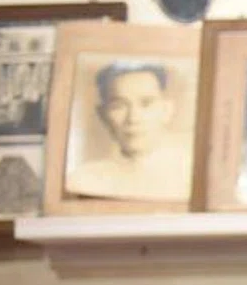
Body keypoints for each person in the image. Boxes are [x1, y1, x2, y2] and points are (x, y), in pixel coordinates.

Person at [66, 60, 192, 202]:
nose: (133, 118)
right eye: (119, 106)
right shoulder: (83, 180)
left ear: (166, 110)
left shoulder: (189, 174)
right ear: (103, 115)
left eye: (146, 104)